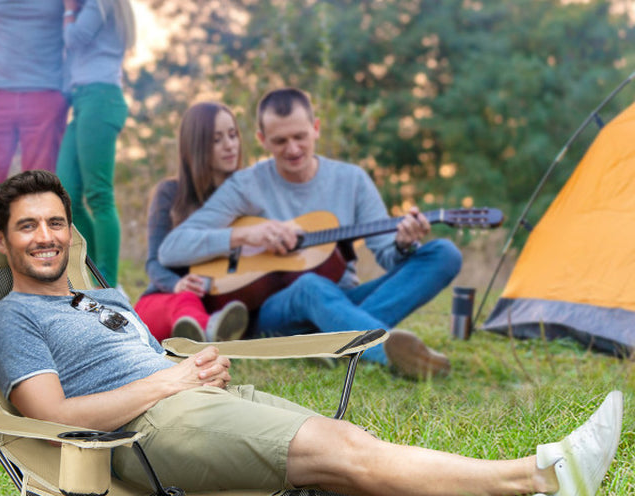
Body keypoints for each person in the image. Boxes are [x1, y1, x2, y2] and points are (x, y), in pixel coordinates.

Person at [0, 171, 629, 496]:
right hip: (144, 438)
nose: (46, 237)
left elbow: (143, 359)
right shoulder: (9, 318)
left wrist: (190, 367)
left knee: (352, 461)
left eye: (56, 223)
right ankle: (542, 474)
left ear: (71, 233)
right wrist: (173, 380)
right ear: (3, 240)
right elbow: (54, 420)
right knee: (347, 453)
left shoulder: (103, 295)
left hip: (188, 405)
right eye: (28, 226)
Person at [157, 87, 464, 380]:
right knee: (310, 286)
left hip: (342, 297)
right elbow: (172, 248)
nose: (292, 149)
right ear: (262, 139)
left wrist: (403, 242)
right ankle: (385, 351)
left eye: (300, 137)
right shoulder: (245, 184)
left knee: (444, 254)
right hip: (278, 310)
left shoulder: (352, 180)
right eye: (280, 141)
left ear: (316, 128)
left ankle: (331, 341)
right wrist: (242, 237)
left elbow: (388, 256)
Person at [133, 101, 250, 343]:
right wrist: (177, 284)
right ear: (197, 146)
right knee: (187, 300)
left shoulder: (247, 197)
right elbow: (154, 262)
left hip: (218, 301)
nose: (230, 146)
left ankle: (207, 334)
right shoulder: (169, 192)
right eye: (217, 140)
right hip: (165, 300)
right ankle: (209, 332)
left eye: (232, 135)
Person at [56, 0, 136, 288]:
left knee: (99, 194)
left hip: (101, 99)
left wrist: (67, 9)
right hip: (85, 102)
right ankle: (96, 274)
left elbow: (74, 39)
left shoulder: (99, 4)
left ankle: (109, 283)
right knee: (66, 194)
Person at [0, 0, 68, 212]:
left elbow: (75, 38)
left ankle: (40, 244)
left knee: (41, 190)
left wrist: (62, 94)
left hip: (45, 97)